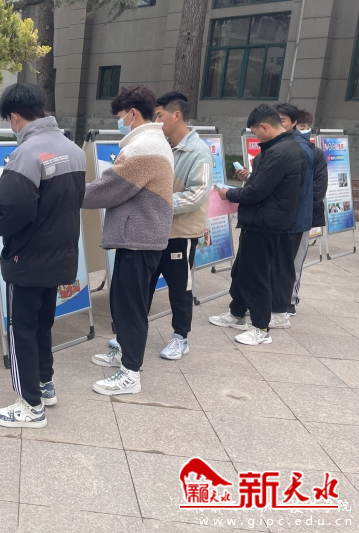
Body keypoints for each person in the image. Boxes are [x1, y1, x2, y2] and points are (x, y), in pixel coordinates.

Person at [0, 83, 85, 427]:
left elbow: (11, 211)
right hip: (60, 256)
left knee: (22, 330)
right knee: (43, 324)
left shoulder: (27, 154)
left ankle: (30, 405)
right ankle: (45, 384)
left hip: (27, 260)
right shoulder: (73, 149)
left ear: (14, 117)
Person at [84, 85, 175, 395]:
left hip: (139, 239)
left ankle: (130, 373)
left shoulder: (143, 147)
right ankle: (123, 352)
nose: (119, 121)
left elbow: (107, 189)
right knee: (124, 303)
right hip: (141, 236)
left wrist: (65, 192)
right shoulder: (154, 142)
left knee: (131, 308)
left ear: (133, 113)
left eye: (121, 115)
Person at [209, 105, 307, 346]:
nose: (256, 137)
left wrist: (228, 193)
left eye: (255, 132)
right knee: (242, 270)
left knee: (257, 275)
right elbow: (263, 183)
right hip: (258, 220)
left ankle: (261, 327)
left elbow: (256, 191)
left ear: (264, 126)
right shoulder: (282, 148)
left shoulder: (281, 152)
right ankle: (237, 313)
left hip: (266, 222)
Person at [149, 91, 213, 359]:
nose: (156, 121)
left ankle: (180, 337)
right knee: (143, 285)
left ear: (176, 115)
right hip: (153, 231)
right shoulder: (161, 146)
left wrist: (157, 202)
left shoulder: (199, 152)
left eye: (159, 115)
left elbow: (197, 194)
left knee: (180, 288)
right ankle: (130, 333)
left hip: (179, 234)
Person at [258, 103, 315, 329]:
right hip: (282, 217)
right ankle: (273, 307)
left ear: (293, 123)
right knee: (275, 265)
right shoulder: (282, 146)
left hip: (291, 220)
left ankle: (282, 310)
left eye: (282, 120)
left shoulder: (298, 149)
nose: (277, 124)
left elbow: (302, 189)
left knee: (284, 266)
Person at [290, 109, 328, 315]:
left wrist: (303, 209)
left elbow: (319, 189)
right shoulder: (285, 149)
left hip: (303, 218)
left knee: (296, 260)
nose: (304, 130)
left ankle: (290, 300)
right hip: (282, 216)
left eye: (307, 127)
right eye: (301, 127)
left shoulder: (316, 153)